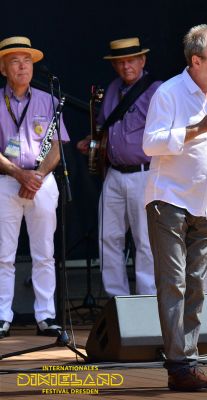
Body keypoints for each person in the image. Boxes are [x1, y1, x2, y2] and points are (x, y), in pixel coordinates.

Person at [143, 24, 207, 391]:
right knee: (173, 281)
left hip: (206, 202)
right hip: (168, 199)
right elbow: (151, 144)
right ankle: (179, 365)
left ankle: (187, 360)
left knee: (196, 284)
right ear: (196, 60)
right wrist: (197, 127)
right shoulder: (169, 93)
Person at [76, 38, 161, 298]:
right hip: (114, 174)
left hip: (144, 173)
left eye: (131, 61)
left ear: (142, 61)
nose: (126, 67)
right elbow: (105, 128)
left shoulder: (156, 90)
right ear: (114, 66)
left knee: (145, 242)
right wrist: (92, 143)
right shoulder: (113, 88)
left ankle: (148, 301)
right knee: (108, 238)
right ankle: (118, 301)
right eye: (120, 62)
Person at [0, 36, 70, 338]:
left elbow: (56, 148)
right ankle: (2, 315)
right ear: (4, 69)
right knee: (4, 254)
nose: (22, 66)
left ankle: (46, 316)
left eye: (27, 60)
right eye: (15, 60)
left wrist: (37, 176)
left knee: (45, 253)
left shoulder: (49, 100)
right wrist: (18, 173)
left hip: (42, 183)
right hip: (6, 183)